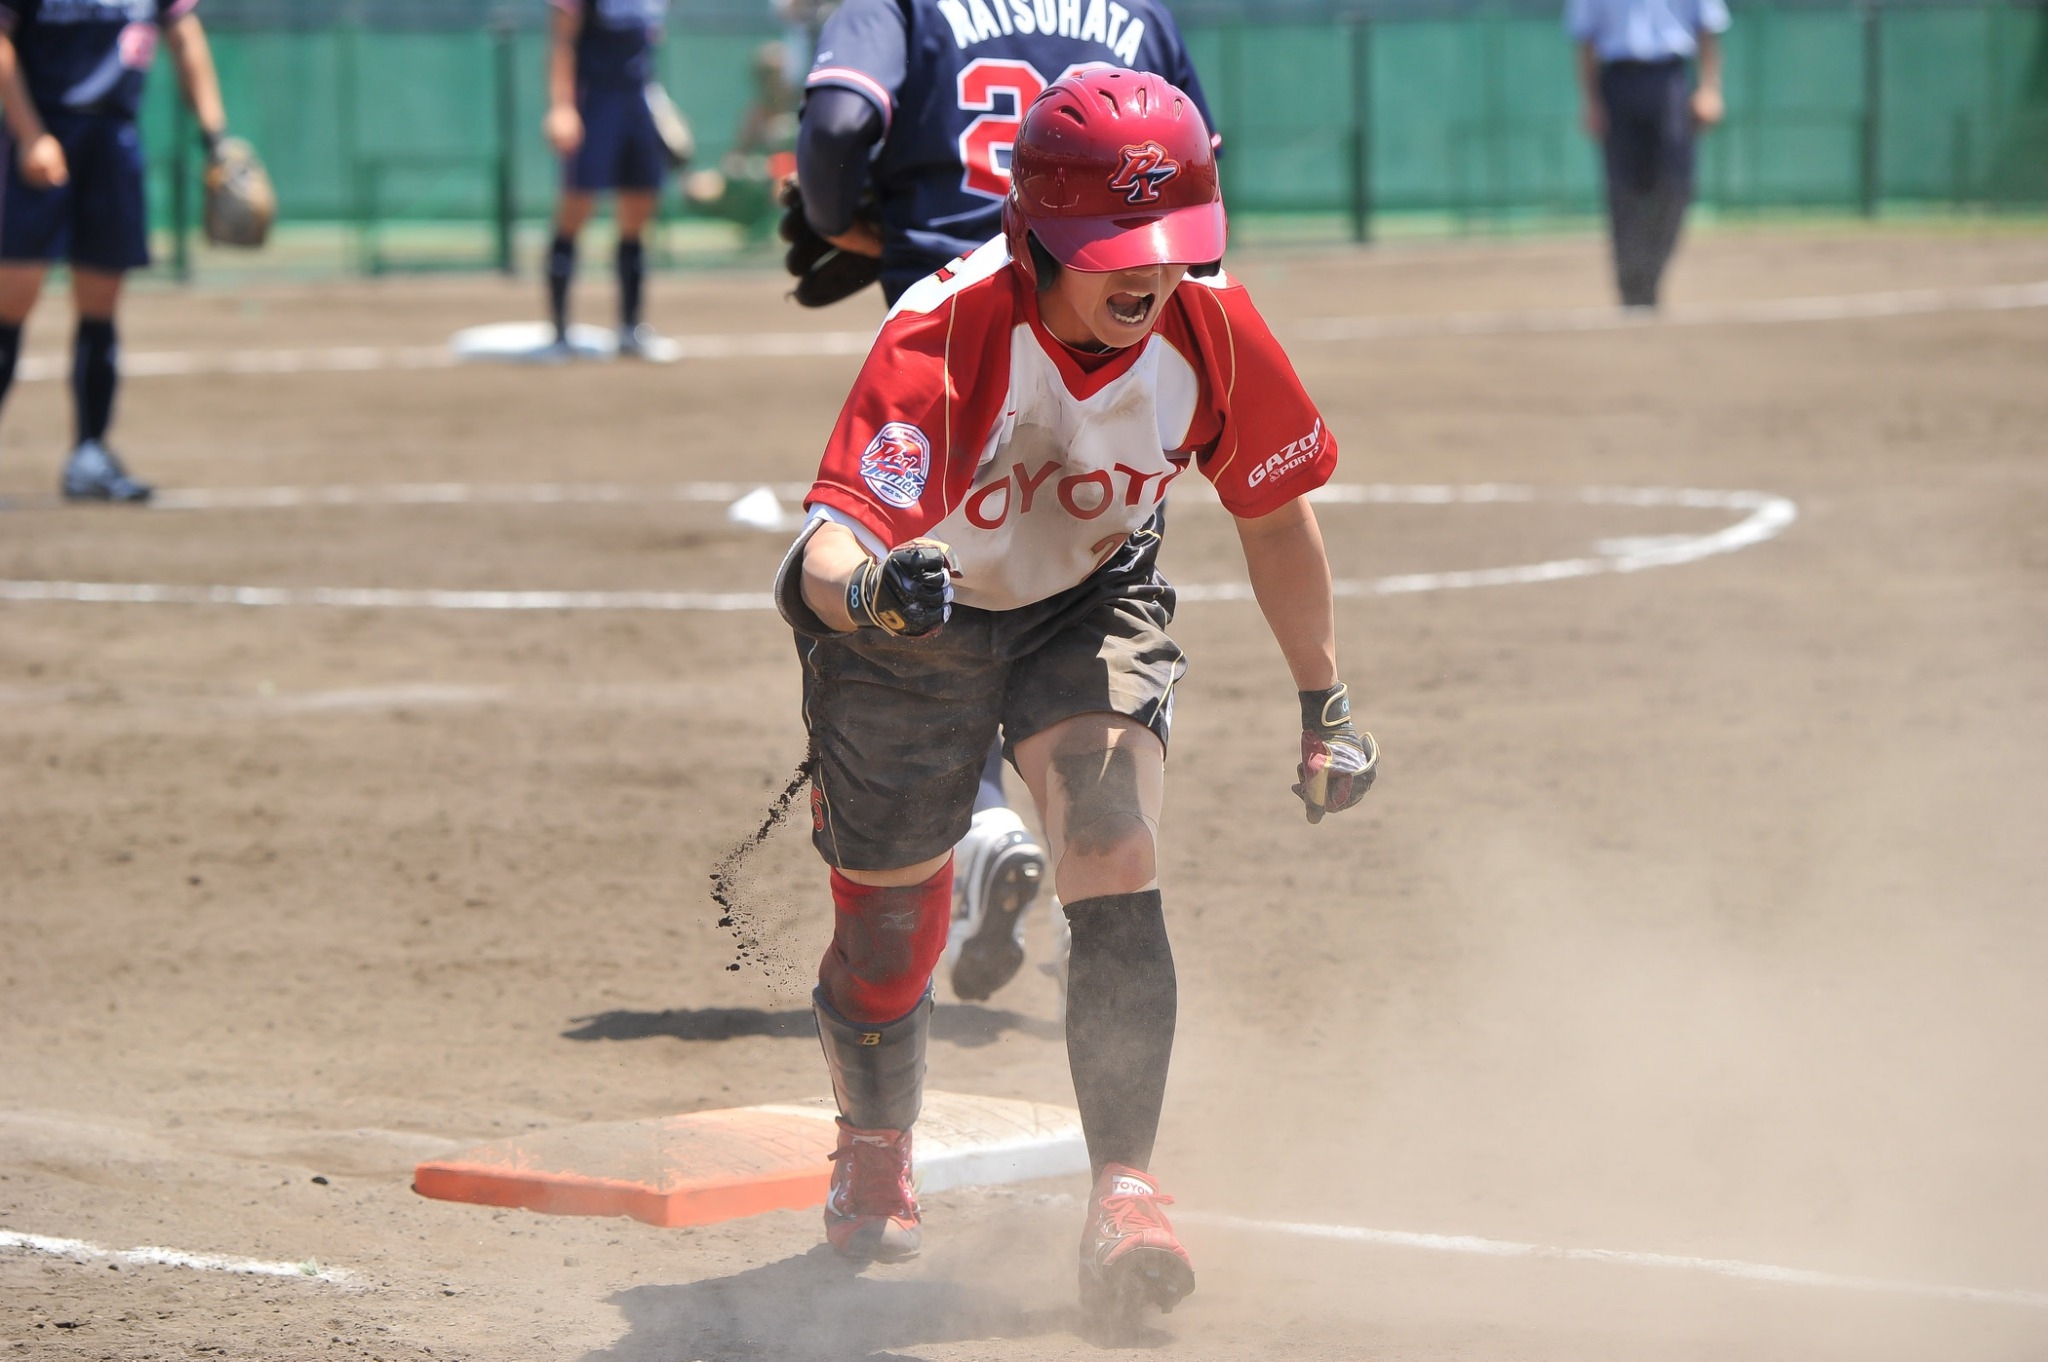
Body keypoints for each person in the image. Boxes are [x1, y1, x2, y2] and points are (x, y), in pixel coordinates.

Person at [771, 70, 1377, 1325]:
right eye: (1112, 248)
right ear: (1034, 235)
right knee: (888, 934)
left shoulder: (1208, 327)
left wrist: (1323, 704)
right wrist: (875, 595)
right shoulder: (946, 334)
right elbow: (825, 552)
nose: (1147, 276)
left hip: (1088, 598)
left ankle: (1125, 1190)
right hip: (913, 619)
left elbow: (1273, 519)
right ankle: (875, 1144)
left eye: (1168, 246)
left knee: (1110, 840)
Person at [785, 0, 1217, 1003]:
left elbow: (840, 126)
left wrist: (835, 216)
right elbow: (1194, 162)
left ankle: (975, 828)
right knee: (1089, 591)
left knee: (926, 592)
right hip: (1123, 314)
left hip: (956, 311)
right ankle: (1099, 889)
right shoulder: (1134, 11)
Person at [0, 0, 234, 502]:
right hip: (43, 128)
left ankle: (90, 454)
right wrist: (30, 135)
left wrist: (215, 138)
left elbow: (185, 35)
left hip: (112, 137)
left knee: (100, 304)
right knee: (10, 302)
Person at [1569, 0, 1728, 309]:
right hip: (1617, 80)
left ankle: (1651, 275)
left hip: (1670, 79)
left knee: (1676, 184)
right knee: (1623, 191)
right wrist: (1591, 102)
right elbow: (1584, 39)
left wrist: (1710, 88)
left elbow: (1707, 27)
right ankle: (1631, 289)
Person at [543, 0, 673, 357]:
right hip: (594, 100)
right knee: (575, 210)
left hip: (637, 101)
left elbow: (648, 48)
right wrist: (561, 107)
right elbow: (561, 43)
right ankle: (559, 333)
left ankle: (630, 329)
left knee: (638, 211)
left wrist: (660, 107)